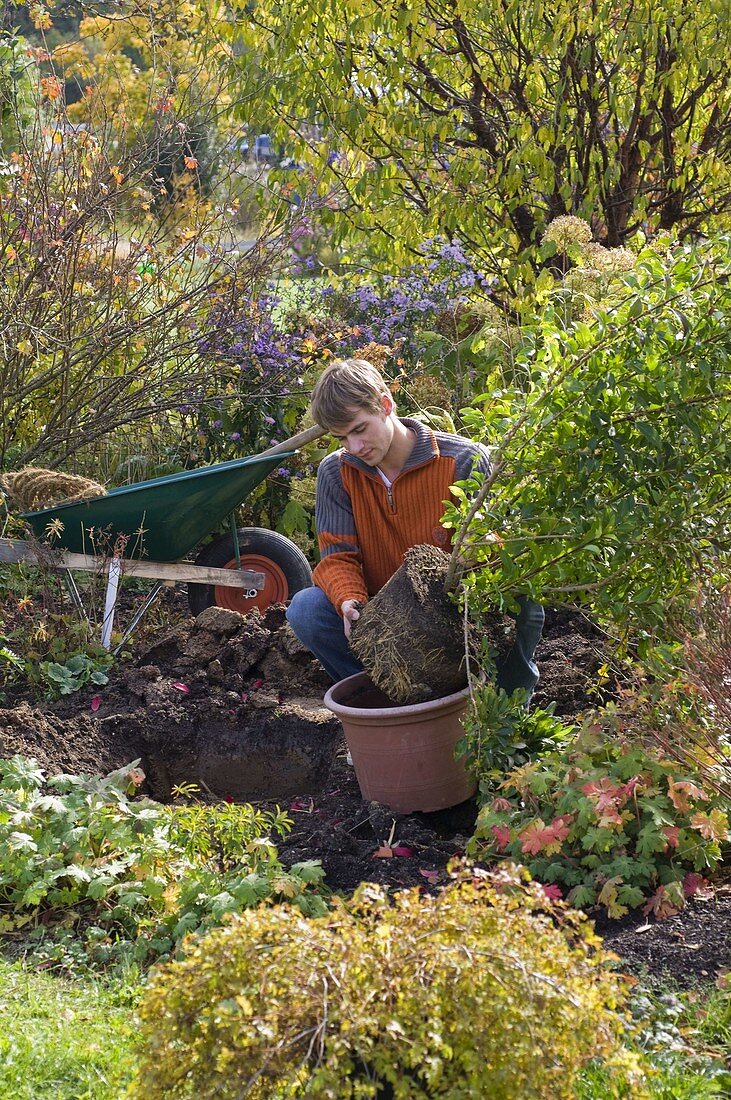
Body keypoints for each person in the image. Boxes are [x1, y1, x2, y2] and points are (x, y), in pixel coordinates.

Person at [286, 358, 544, 697]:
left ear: (385, 404)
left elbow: (499, 557)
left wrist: (483, 548)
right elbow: (337, 557)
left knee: (522, 600)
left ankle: (504, 709)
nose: (355, 448)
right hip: (384, 619)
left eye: (360, 429)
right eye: (341, 438)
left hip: (457, 615)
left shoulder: (464, 461)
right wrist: (350, 601)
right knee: (307, 609)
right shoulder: (336, 473)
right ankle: (388, 703)